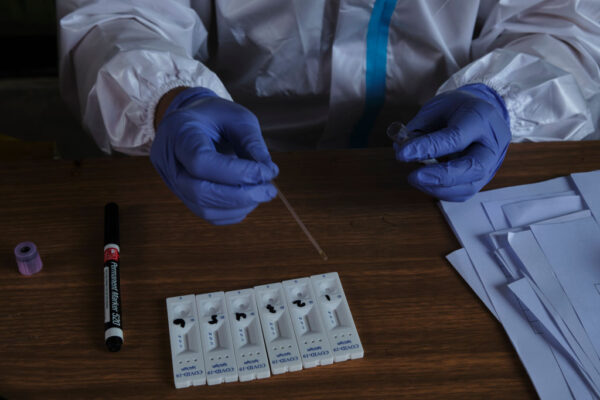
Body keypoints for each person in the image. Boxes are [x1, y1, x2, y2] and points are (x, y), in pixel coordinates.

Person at [57, 0, 600, 224]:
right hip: (225, 155)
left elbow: (564, 18)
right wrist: (170, 97)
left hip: (454, 174)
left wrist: (505, 97)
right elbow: (118, 11)